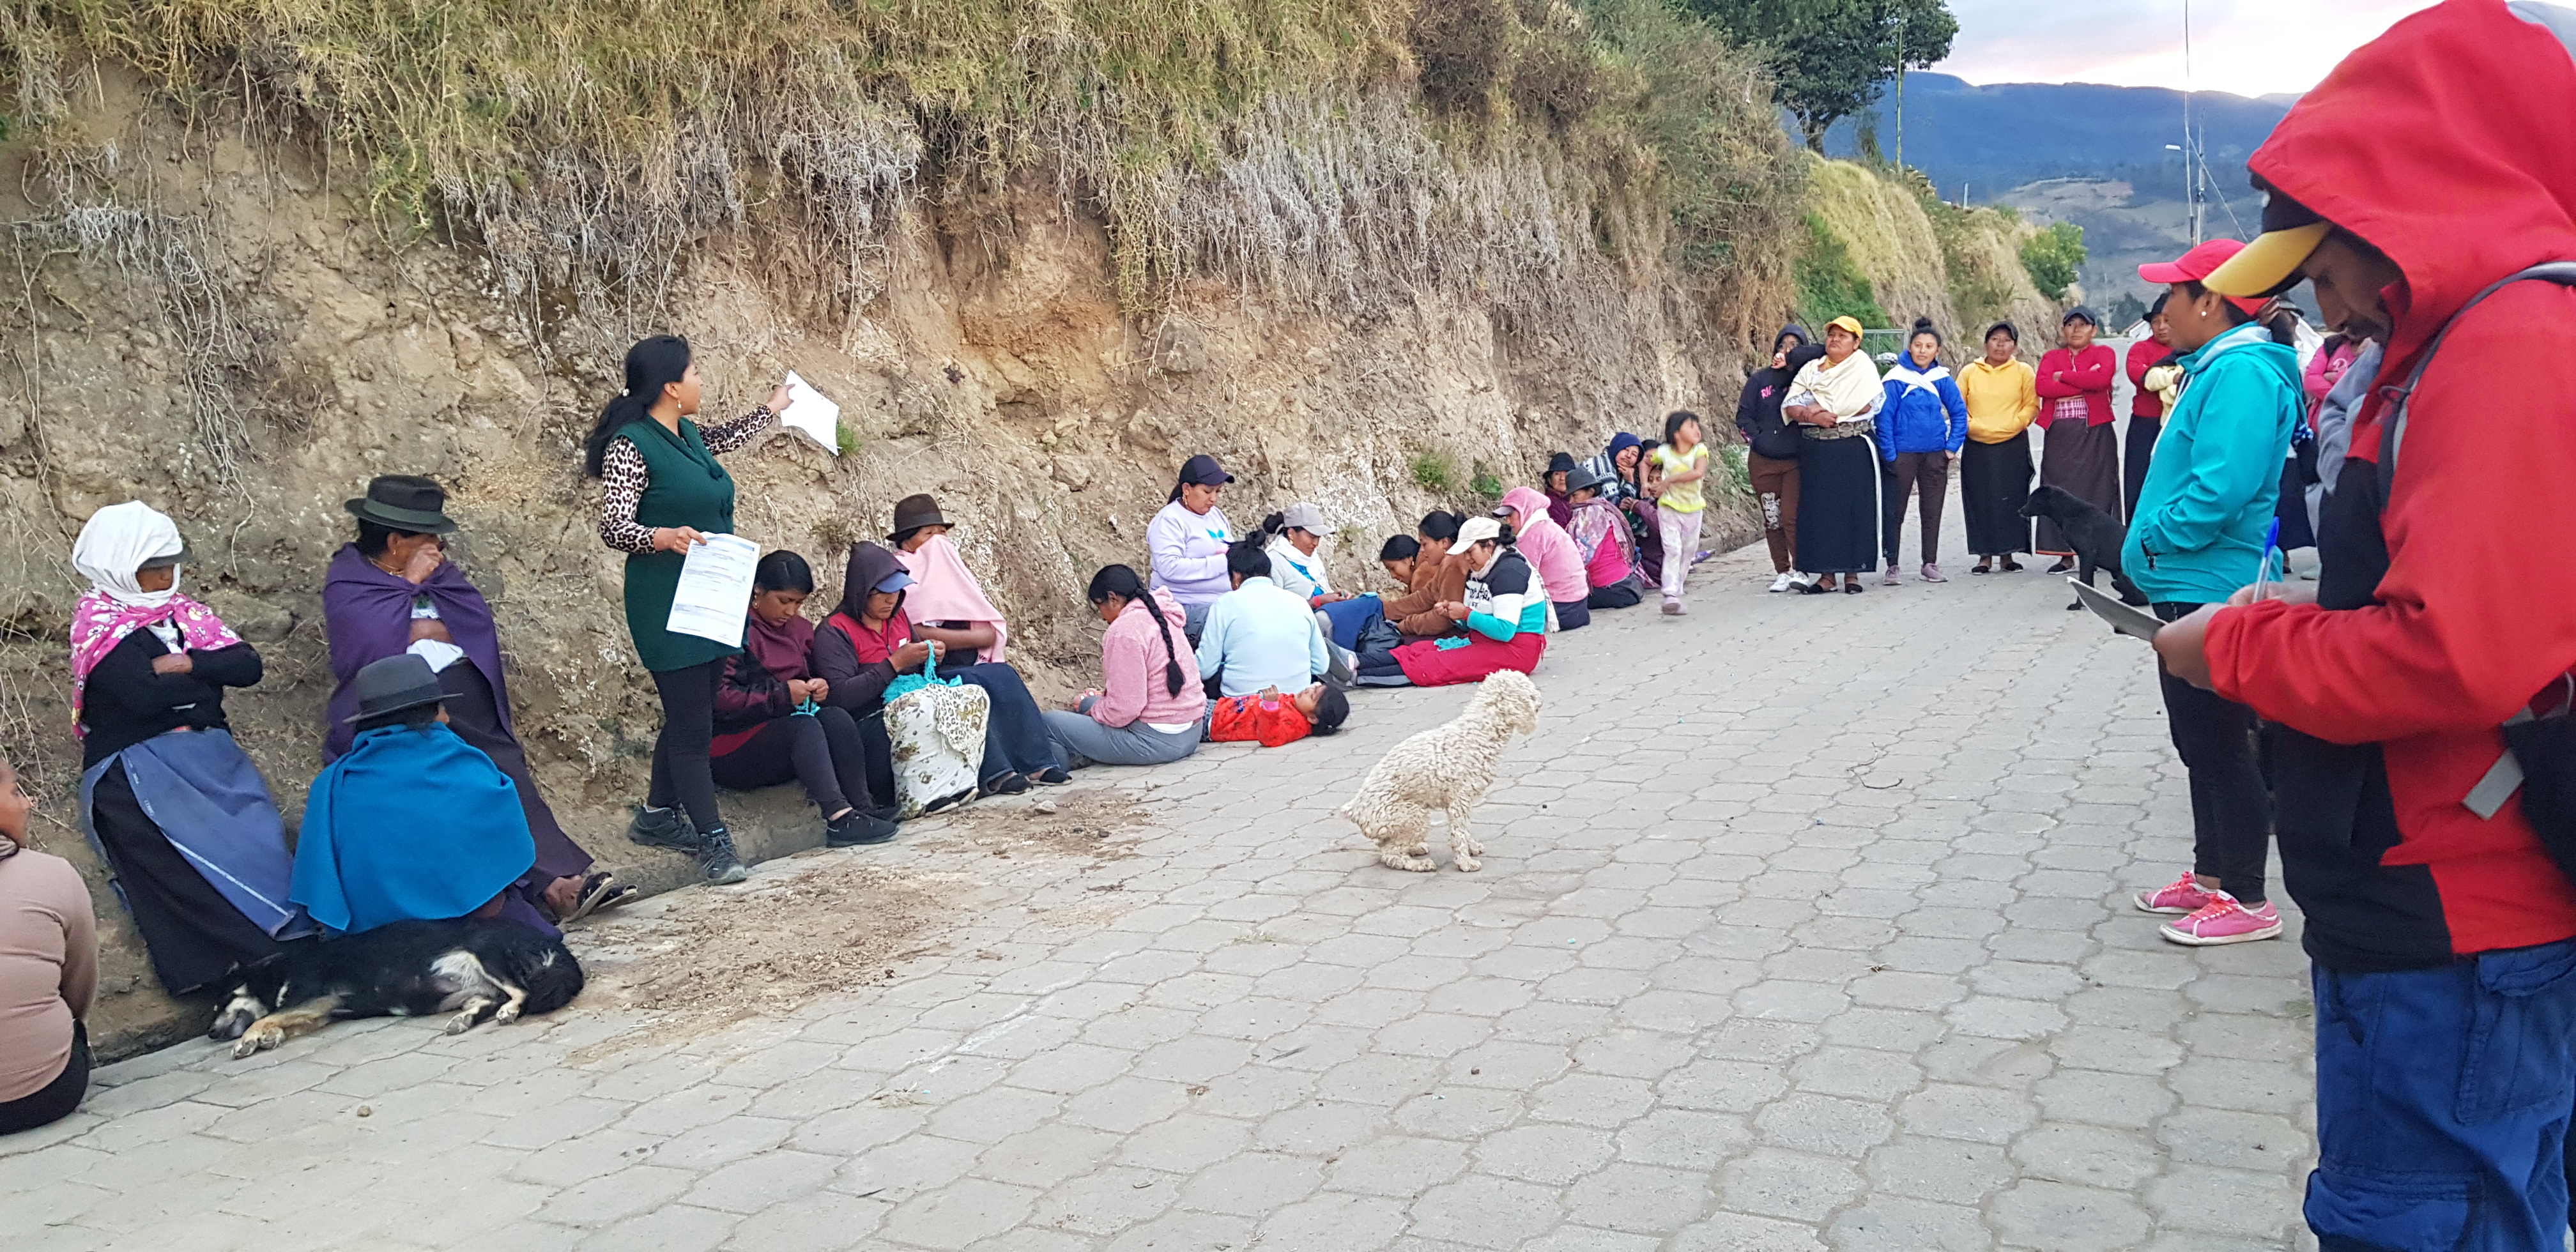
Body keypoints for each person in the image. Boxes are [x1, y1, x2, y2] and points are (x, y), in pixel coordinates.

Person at [2149, 5, 2576, 1243]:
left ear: (2399, 211)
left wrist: (2235, 644)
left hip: (2457, 914)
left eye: (2318, 260)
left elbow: (2451, 651)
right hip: (2421, 893)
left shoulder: (2505, 344)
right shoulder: (2454, 341)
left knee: (2424, 1217)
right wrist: (2312, 613)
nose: (2319, 297)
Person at [322, 476, 630, 926]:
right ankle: (522, 891)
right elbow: (363, 650)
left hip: (463, 691)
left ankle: (559, 883)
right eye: (429, 537)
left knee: (501, 774)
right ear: (395, 542)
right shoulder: (351, 579)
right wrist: (410, 586)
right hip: (398, 707)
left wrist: (417, 625)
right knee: (448, 787)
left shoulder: (441, 573)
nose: (438, 547)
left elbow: (472, 622)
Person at [2122, 237, 2303, 947]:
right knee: (2196, 738)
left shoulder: (2243, 373)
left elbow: (2222, 488)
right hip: (2186, 578)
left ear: (2212, 302)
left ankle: (2249, 898)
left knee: (2221, 741)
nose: (2163, 309)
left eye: (2174, 293)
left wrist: (2156, 538)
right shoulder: (2217, 367)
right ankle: (2211, 875)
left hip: (2209, 579)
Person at [70, 502, 310, 995]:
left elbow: (248, 667)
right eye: (152, 567)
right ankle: (252, 967)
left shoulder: (186, 615)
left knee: (258, 842)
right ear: (120, 566)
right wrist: (205, 681)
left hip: (211, 760)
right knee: (190, 864)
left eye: (169, 564)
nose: (165, 576)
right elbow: (139, 696)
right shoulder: (98, 625)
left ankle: (295, 947)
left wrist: (188, 665)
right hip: (137, 769)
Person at [585, 334, 788, 885]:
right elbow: (613, 525)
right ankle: (714, 842)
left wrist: (772, 408)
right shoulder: (630, 445)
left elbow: (726, 438)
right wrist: (662, 537)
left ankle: (656, 815)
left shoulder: (688, 435)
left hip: (710, 597)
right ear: (672, 387)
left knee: (689, 712)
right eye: (695, 373)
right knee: (693, 726)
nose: (701, 381)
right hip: (667, 605)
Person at [291, 655, 554, 935]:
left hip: (377, 946)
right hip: (476, 931)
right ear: (427, 715)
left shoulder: (331, 785)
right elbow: (510, 850)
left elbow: (320, 882)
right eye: (442, 709)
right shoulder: (463, 764)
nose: (447, 719)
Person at [813, 542, 1062, 800]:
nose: (892, 599)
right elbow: (840, 697)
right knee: (942, 700)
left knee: (997, 676)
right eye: (883, 593)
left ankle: (1037, 763)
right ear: (862, 592)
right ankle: (995, 773)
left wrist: (932, 655)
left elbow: (920, 666)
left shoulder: (897, 617)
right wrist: (894, 664)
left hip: (915, 689)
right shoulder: (834, 632)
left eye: (897, 591)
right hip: (874, 715)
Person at [710, 551, 900, 847]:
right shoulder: (735, 631)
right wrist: (782, 695)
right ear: (757, 592)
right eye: (784, 601)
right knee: (804, 727)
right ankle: (838, 818)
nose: (791, 611)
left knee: (835, 717)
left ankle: (863, 806)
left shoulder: (800, 630)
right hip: (735, 744)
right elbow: (720, 699)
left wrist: (818, 686)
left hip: (786, 731)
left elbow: (813, 676)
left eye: (798, 603)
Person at [891, 495, 1071, 788]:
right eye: (928, 534)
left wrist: (964, 639)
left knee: (1004, 676)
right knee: (969, 684)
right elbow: (914, 631)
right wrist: (967, 639)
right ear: (907, 543)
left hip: (968, 660)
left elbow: (988, 631)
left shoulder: (952, 573)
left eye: (942, 533)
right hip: (929, 669)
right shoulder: (901, 574)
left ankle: (1038, 763)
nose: (939, 541)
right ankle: (999, 774)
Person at [0, 754, 98, 1136]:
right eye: (15, 792)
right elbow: (79, 985)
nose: (29, 803)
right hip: (47, 1095)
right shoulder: (53, 873)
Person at [1353, 516, 1550, 687]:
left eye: (1470, 551)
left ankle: (1355, 677)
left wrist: (1465, 614)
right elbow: (1473, 619)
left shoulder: (1509, 571)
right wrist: (1453, 614)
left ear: (1489, 545)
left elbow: (1505, 631)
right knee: (1421, 650)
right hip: (1485, 639)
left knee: (1435, 664)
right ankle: (1354, 661)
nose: (1467, 558)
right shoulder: (1480, 569)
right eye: (1464, 553)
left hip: (1517, 649)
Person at [1045, 566, 1206, 769]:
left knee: (1051, 722)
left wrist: (1093, 716)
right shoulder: (1162, 614)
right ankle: (1089, 750)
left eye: (1100, 606)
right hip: (1191, 733)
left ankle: (1058, 766)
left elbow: (1125, 708)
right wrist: (1095, 709)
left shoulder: (1123, 631)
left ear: (1113, 599)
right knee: (1088, 703)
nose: (1102, 617)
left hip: (1157, 741)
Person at [1784, 317, 1886, 593]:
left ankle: (1852, 574)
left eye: (1843, 336)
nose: (1835, 339)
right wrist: (1812, 416)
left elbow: (1865, 404)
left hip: (1852, 445)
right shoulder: (1811, 369)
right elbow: (1792, 404)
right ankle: (1826, 576)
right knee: (1821, 511)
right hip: (1817, 448)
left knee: (1853, 509)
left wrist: (1823, 407)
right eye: (1832, 335)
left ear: (1856, 343)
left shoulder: (1862, 367)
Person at [1876, 317, 1969, 584]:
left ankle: (1930, 563)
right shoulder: (1895, 378)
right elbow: (1884, 418)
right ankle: (1892, 565)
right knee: (1895, 511)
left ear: (1937, 351)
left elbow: (1959, 413)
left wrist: (1951, 448)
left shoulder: (1942, 379)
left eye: (1929, 346)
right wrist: (1890, 455)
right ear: (1910, 347)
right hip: (1902, 454)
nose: (1923, 351)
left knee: (1932, 510)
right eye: (1918, 345)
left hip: (1935, 454)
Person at [1736, 325, 1825, 592]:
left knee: (1791, 516)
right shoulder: (1760, 380)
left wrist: (1794, 359)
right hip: (1763, 461)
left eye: (1795, 345)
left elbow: (1824, 351)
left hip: (1795, 461)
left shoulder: (1808, 380)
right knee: (1772, 518)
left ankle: (1801, 568)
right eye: (1783, 345)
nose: (1787, 349)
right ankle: (1782, 571)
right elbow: (1743, 416)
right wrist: (1759, 440)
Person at [2032, 307, 2120, 567]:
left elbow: (2101, 381)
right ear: (2063, 330)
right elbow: (2043, 387)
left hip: (2095, 433)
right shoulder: (2051, 357)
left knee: (2099, 490)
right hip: (2060, 435)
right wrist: (2085, 382)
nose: (2076, 330)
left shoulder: (2105, 353)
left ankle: (2102, 552)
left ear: (2094, 330)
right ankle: (2065, 555)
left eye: (2083, 325)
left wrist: (2064, 377)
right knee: (2059, 493)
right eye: (2071, 325)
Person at [1194, 541, 1333, 698]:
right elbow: (1321, 666)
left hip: (1244, 704)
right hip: (1295, 702)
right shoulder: (1300, 602)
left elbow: (1205, 669)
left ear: (1236, 576)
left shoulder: (1224, 604)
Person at [1959, 322, 2040, 574]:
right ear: (1986, 343)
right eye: (1995, 339)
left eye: (2007, 340)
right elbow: (1958, 406)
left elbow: (2032, 405)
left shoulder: (2024, 371)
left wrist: (2014, 425)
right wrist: (1973, 427)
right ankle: (1984, 556)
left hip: (2012, 443)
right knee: (1979, 499)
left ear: (2014, 346)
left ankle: (2008, 555)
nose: (2000, 345)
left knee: (2012, 499)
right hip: (1977, 444)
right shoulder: (1970, 372)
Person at [1260, 503, 1383, 650]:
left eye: (1318, 537)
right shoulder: (1273, 560)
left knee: (1372, 602)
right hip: (1303, 624)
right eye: (1312, 537)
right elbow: (1275, 612)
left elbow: (1323, 589)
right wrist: (1315, 602)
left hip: (1328, 613)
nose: (1316, 543)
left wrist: (1337, 596)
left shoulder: (1311, 556)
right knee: (1325, 619)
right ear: (1292, 533)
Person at [1147, 454, 1237, 641]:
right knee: (1240, 624)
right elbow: (1169, 567)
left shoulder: (1216, 516)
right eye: (1207, 491)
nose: (1214, 499)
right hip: (1184, 606)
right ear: (1187, 489)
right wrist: (1224, 562)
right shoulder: (1169, 520)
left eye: (1218, 492)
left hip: (1222, 601)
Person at [1643, 411, 1713, 614]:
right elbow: (1645, 461)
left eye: (1697, 426)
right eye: (1691, 426)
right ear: (1676, 433)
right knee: (1673, 549)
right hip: (1668, 507)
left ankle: (1677, 588)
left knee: (1689, 550)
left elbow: (1698, 472)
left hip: (1693, 508)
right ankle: (1670, 594)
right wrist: (1645, 483)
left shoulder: (1699, 451)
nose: (1697, 430)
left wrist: (1669, 480)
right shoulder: (1664, 452)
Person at [1494, 486, 1591, 629]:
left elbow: (1522, 578)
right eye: (1506, 517)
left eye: (1511, 515)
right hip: (1579, 605)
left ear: (1525, 510)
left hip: (1561, 609)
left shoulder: (1532, 536)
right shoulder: (1549, 527)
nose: (1508, 521)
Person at [2122, 295, 2176, 521]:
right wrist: (2173, 377)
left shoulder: (2191, 348)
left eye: (2167, 320)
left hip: (2176, 423)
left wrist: (2157, 375)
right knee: (2138, 480)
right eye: (2156, 321)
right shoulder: (2140, 348)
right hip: (2145, 424)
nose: (2161, 327)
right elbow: (2140, 376)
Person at [1377, 512, 1469, 643]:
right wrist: (1385, 609)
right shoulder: (1446, 564)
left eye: (1424, 544)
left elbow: (1443, 619)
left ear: (1444, 543)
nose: (1421, 551)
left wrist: (1406, 625)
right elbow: (1423, 598)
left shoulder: (1454, 565)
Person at [1564, 466, 1646, 609]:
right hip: (1627, 584)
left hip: (1614, 588)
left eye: (1575, 495)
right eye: (1569, 497)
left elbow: (1586, 557)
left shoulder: (1592, 514)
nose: (1571, 501)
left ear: (1591, 492)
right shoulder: (1603, 507)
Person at [1207, 684, 1349, 747]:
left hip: (1213, 724)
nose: (1308, 690)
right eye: (1314, 688)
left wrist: (1271, 706)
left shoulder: (1294, 724)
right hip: (1218, 707)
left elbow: (1271, 738)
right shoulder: (1294, 704)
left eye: (1312, 697)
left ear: (1312, 718)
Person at [1540, 452, 1577, 528]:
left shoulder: (1578, 499)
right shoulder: (1549, 503)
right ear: (1549, 479)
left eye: (1567, 473)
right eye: (1557, 474)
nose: (1562, 478)